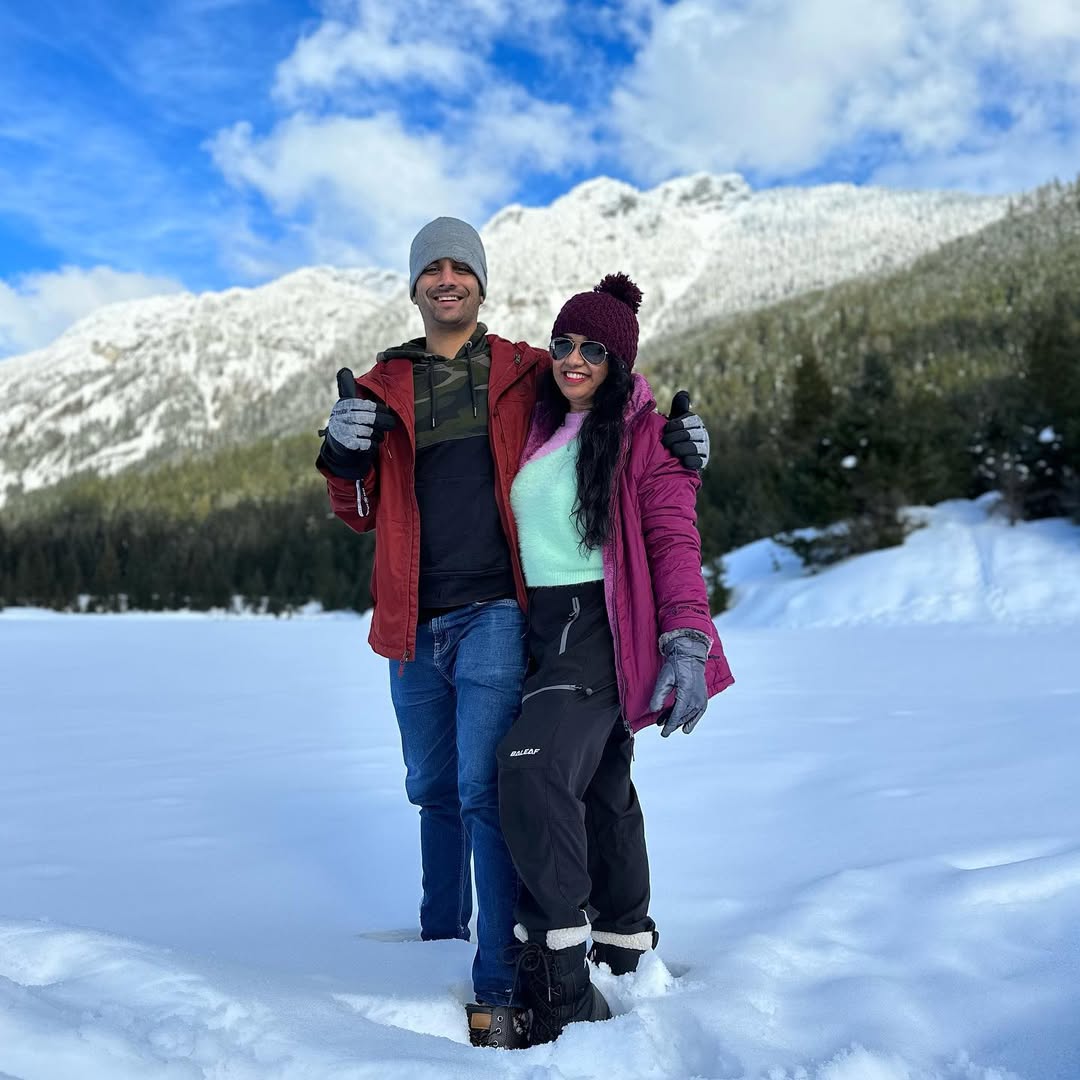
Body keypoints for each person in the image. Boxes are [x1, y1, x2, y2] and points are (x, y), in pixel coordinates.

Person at [316, 219, 712, 1049]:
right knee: (432, 789)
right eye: (433, 267)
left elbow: (615, 390)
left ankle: (504, 975)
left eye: (463, 267)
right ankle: (441, 947)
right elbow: (356, 513)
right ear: (416, 284)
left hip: (501, 612)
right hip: (411, 622)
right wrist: (340, 460)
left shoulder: (525, 371)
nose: (448, 279)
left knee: (493, 788)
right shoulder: (384, 385)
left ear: (483, 284)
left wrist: (677, 443)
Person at [497, 272, 734, 1046]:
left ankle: (561, 980)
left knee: (533, 766)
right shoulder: (536, 423)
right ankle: (627, 946)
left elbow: (672, 539)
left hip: (600, 623)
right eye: (562, 343)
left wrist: (687, 641)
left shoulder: (643, 435)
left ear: (618, 361)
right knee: (601, 779)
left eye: (592, 349)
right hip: (539, 627)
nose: (572, 359)